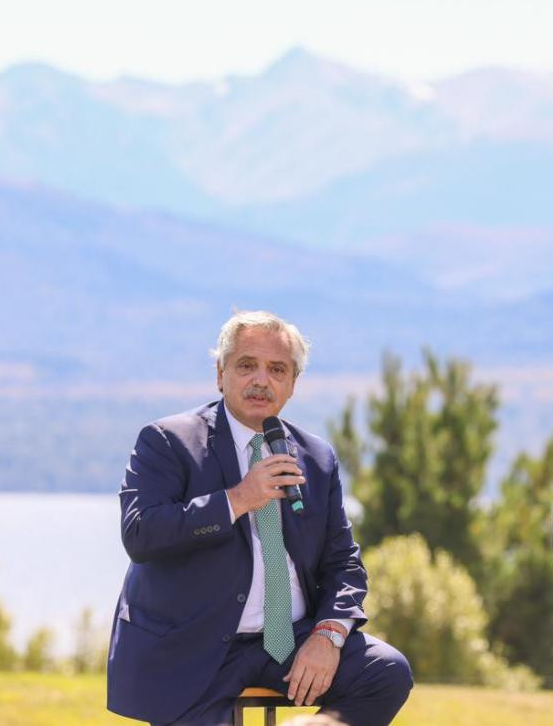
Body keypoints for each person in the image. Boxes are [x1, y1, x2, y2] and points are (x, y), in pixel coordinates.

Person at [107, 310, 413, 726]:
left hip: (288, 641)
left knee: (387, 672)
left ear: (292, 384)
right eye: (247, 365)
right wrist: (236, 499)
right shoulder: (167, 441)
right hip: (194, 648)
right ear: (221, 374)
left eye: (277, 369)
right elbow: (140, 533)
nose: (260, 380)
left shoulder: (316, 458)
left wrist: (328, 635)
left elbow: (343, 563)